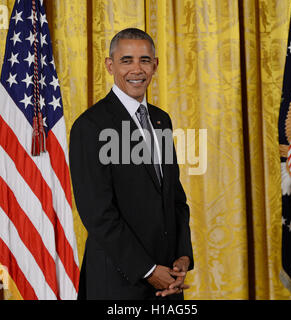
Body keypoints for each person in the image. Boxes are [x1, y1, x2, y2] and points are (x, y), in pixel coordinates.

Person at [69, 28, 193, 300]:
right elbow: (97, 213)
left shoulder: (162, 120)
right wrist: (148, 271)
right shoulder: (90, 126)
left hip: (167, 282)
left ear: (155, 65)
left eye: (144, 60)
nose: (137, 69)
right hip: (117, 283)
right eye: (127, 60)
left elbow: (174, 197)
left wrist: (182, 255)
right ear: (110, 65)